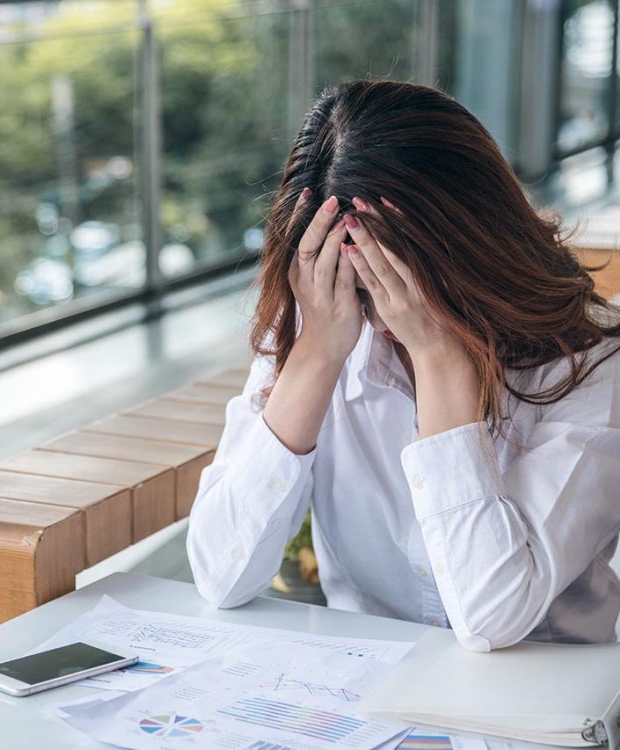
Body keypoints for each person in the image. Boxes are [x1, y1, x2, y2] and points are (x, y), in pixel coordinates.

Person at [186, 80, 620, 652]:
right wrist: (315, 355)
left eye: (395, 272)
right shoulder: (324, 318)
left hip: (540, 706)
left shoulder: (592, 357)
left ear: (471, 241)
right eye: (358, 279)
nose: (381, 310)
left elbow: (492, 619)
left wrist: (440, 359)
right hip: (363, 692)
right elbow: (220, 576)